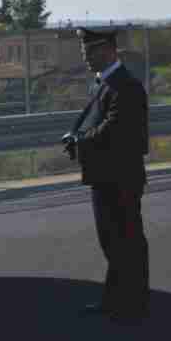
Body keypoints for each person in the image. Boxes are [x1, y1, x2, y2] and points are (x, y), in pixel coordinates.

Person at [62, 28, 151, 323]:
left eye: (91, 52)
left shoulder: (125, 86)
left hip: (120, 177)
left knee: (126, 240)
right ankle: (117, 301)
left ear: (109, 51)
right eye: (85, 52)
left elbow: (115, 128)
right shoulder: (108, 84)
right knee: (114, 241)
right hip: (107, 176)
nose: (86, 57)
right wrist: (77, 135)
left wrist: (80, 141)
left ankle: (133, 303)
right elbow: (98, 121)